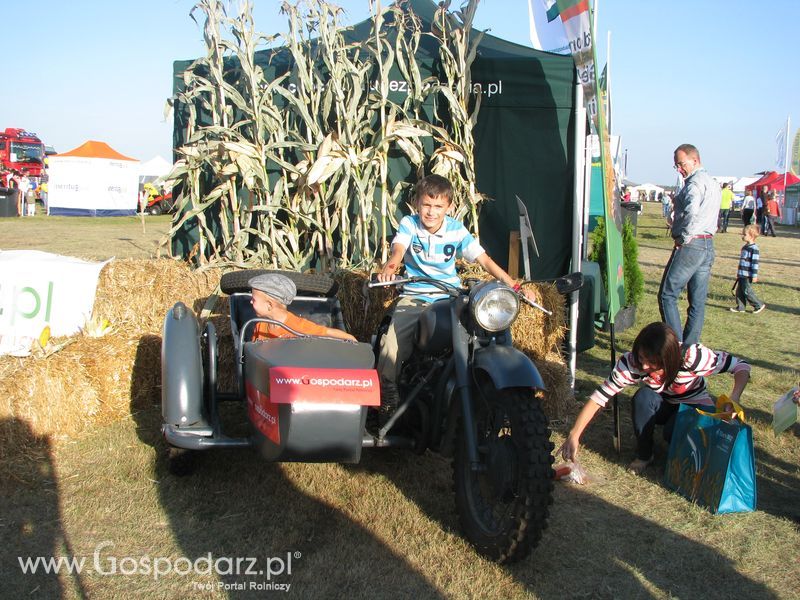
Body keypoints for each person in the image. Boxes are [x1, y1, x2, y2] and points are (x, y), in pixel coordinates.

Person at [376, 174, 538, 396]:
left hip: (450, 297)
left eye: (438, 206)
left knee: (487, 329)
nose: (431, 212)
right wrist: (390, 268)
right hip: (416, 296)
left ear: (449, 207)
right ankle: (386, 395)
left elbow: (485, 261)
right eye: (426, 205)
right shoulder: (409, 224)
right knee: (391, 345)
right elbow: (399, 249)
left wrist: (515, 287)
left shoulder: (456, 229)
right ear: (417, 203)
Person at [559, 322, 751, 475]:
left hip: (694, 405)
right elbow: (599, 397)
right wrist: (574, 435)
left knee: (672, 431)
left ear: (668, 358)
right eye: (642, 357)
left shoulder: (693, 357)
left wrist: (734, 398)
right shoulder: (631, 364)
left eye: (652, 362)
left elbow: (741, 366)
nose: (644, 366)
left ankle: (681, 446)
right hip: (662, 404)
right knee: (642, 397)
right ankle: (644, 455)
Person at [658, 143, 720, 347]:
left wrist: (683, 238)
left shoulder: (694, 184)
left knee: (667, 295)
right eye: (676, 165)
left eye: (681, 164)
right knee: (697, 303)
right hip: (707, 244)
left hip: (692, 244)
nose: (679, 169)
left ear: (695, 160)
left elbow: (692, 213)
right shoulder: (713, 183)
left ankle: (675, 347)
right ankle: (690, 349)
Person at [248, 273, 356, 342]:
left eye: (254, 299)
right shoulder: (260, 326)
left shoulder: (298, 326)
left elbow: (327, 332)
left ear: (269, 305)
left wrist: (351, 340)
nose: (250, 301)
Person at [730, 224, 765, 314]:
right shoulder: (745, 247)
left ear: (751, 236)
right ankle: (741, 307)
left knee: (747, 291)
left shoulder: (754, 249)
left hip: (747, 275)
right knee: (739, 292)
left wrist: (754, 276)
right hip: (742, 274)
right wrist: (739, 273)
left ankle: (758, 305)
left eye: (744, 234)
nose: (742, 236)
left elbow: (755, 264)